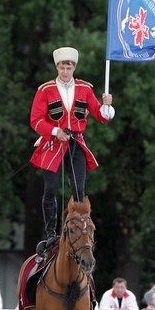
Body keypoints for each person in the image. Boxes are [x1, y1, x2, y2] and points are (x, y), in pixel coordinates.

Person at [29, 46, 114, 254]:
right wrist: (55, 130)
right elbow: (35, 120)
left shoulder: (85, 88)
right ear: (56, 67)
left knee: (78, 189)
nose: (65, 71)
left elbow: (101, 116)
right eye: (61, 67)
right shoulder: (45, 90)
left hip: (76, 142)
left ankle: (78, 229)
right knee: (50, 189)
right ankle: (51, 234)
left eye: (68, 67)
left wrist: (107, 106)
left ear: (74, 68)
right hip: (53, 143)